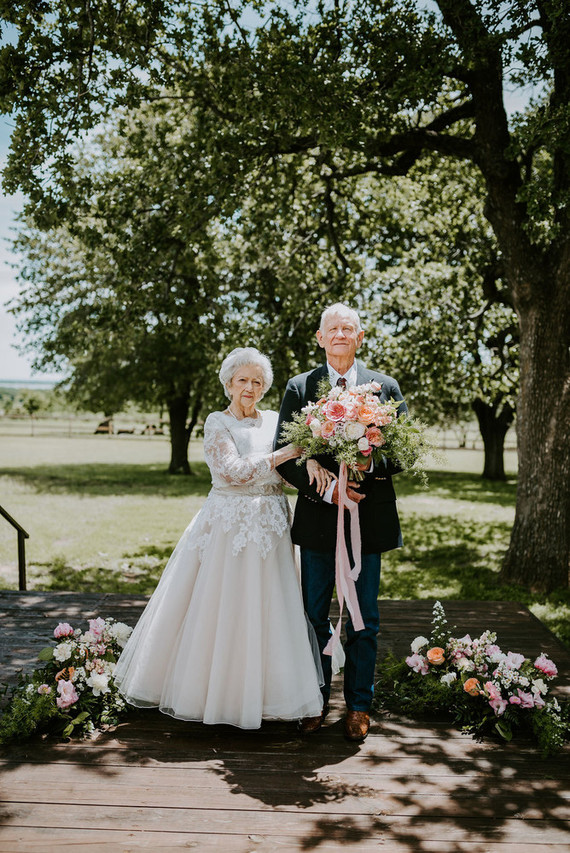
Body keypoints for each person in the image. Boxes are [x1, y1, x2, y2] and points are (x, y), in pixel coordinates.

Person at [114, 347, 327, 729]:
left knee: (272, 606)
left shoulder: (276, 421)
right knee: (223, 604)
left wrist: (306, 457)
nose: (250, 387)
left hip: (272, 525)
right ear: (228, 383)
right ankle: (214, 694)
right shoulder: (217, 422)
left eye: (258, 381)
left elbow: (294, 464)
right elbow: (232, 472)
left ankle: (271, 697)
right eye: (242, 380)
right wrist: (284, 456)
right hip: (228, 525)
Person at [274, 304, 407, 741]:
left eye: (348, 329)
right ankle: (313, 700)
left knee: (364, 616)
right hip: (317, 518)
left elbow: (402, 451)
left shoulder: (385, 388)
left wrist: (365, 466)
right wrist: (327, 488)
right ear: (319, 337)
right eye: (333, 329)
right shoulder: (300, 387)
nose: (340, 335)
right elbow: (284, 456)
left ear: (360, 337)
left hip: (367, 517)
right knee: (313, 615)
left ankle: (358, 707)